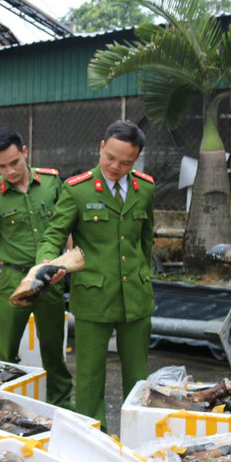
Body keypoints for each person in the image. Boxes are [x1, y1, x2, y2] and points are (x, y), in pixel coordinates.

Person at [36, 120, 155, 430]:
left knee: (138, 381)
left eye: (126, 162)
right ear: (101, 146)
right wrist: (47, 262)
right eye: (110, 157)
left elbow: (145, 240)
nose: (115, 166)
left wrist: (143, 272)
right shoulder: (77, 189)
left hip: (136, 299)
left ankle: (136, 441)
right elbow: (53, 235)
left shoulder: (146, 189)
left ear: (136, 159)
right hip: (93, 297)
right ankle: (93, 441)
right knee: (89, 378)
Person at [0, 128, 73, 407]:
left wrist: (70, 259)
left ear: (25, 152)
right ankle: (2, 405)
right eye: (1, 166)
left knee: (53, 348)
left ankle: (62, 405)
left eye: (14, 162)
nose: (10, 171)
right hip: (13, 277)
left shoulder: (52, 183)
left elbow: (67, 224)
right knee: (6, 350)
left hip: (50, 277)